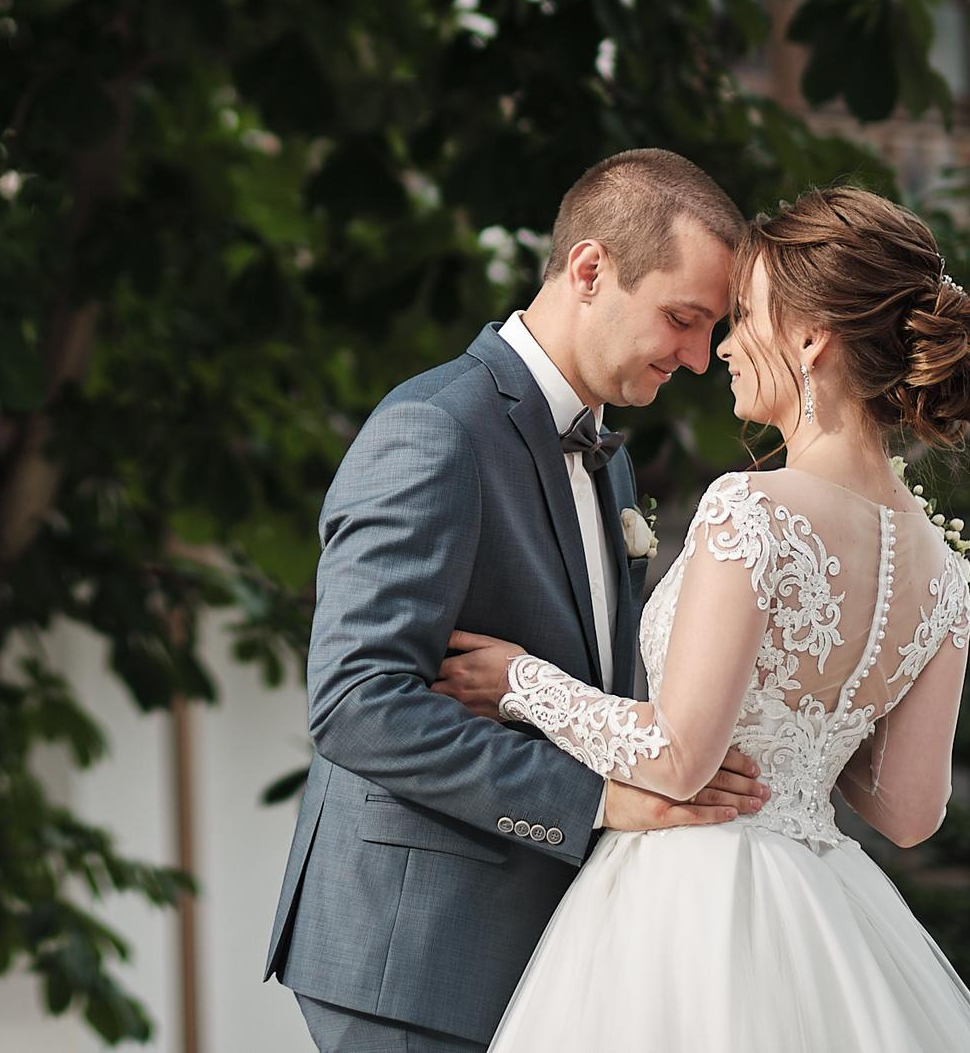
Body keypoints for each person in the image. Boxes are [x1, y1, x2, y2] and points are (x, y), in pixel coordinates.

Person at [435, 184, 970, 1053]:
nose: (723, 350)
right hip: (827, 909)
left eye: (744, 318)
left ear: (811, 338)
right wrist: (805, 738)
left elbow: (677, 755)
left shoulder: (754, 507)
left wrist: (520, 681)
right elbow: (908, 810)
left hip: (695, 897)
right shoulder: (941, 566)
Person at [265, 149, 770, 1053]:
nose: (698, 358)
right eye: (683, 319)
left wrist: (668, 750)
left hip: (548, 956)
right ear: (589, 269)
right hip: (415, 958)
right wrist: (600, 798)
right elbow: (355, 704)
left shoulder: (608, 456)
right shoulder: (435, 429)